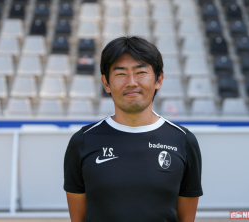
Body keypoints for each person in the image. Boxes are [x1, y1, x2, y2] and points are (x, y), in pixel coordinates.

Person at [64, 36, 203, 222]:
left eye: (141, 72)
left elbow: (186, 217)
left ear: (158, 79)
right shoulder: (82, 141)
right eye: (120, 74)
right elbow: (78, 218)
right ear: (106, 83)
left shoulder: (183, 140)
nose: (131, 82)